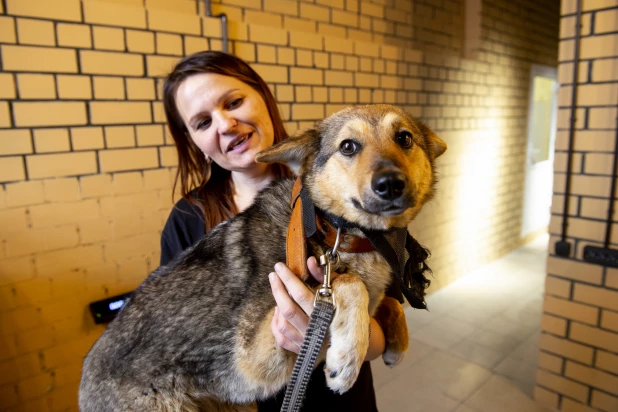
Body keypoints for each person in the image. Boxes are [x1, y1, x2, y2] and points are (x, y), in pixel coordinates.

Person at [159, 50, 396, 411]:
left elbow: (381, 334)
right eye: (203, 123)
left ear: (264, 98)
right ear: (194, 141)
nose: (224, 125)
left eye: (234, 102)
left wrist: (331, 338)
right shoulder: (187, 220)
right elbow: (176, 337)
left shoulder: (342, 192)